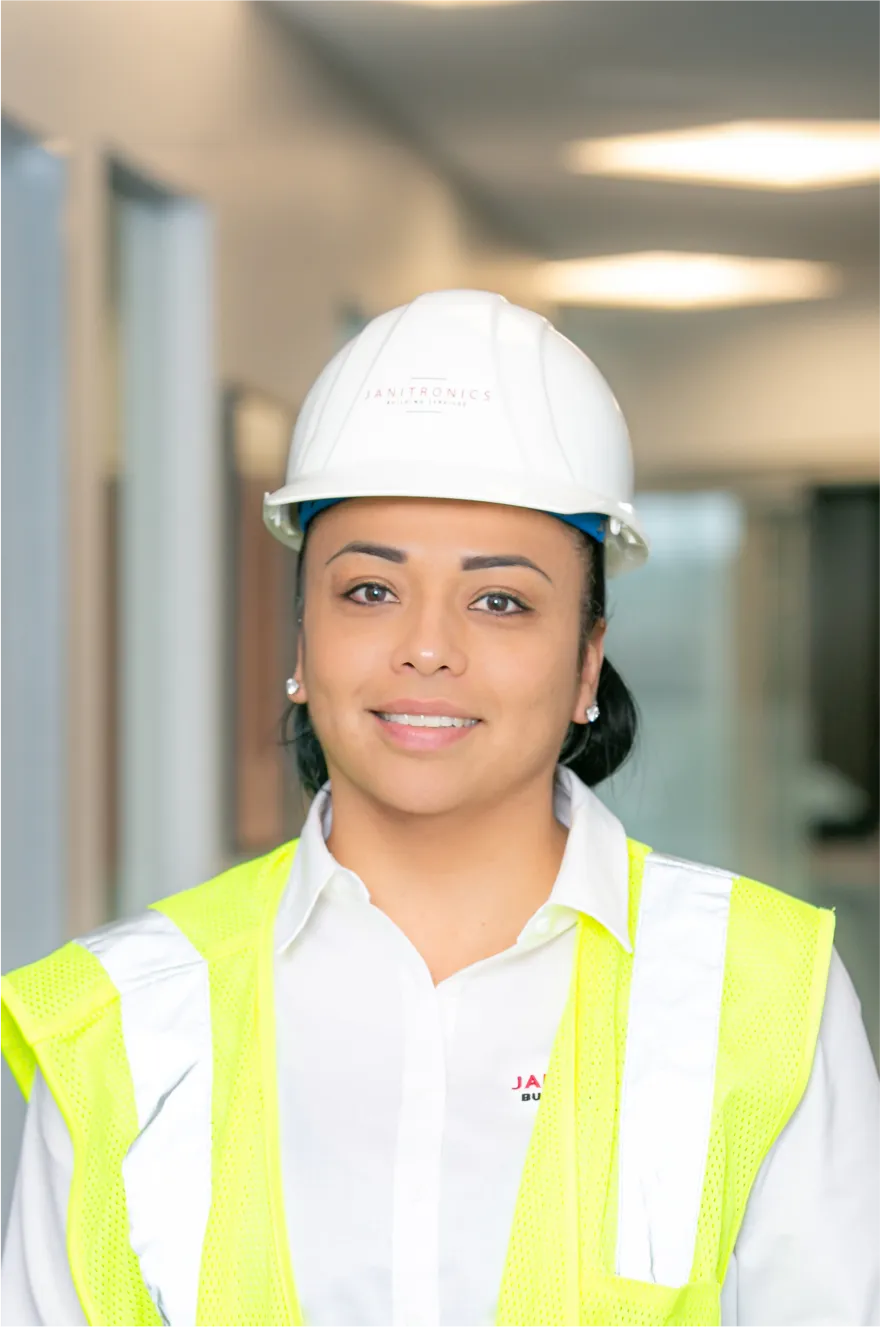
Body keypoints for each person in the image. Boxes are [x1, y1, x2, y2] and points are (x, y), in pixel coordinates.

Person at [1, 289, 879, 1326]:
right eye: (368, 590)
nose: (427, 646)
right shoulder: (124, 1019)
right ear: (301, 644)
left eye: (500, 599)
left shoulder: (760, 989)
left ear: (587, 659)